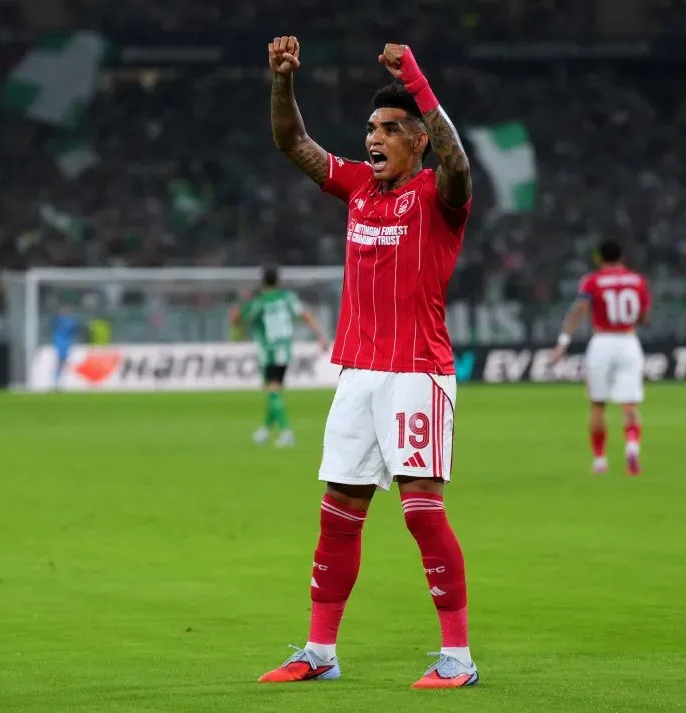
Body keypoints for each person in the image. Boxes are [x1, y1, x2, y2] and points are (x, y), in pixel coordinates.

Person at [258, 37, 478, 688]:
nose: (374, 138)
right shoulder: (357, 185)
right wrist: (281, 81)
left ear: (418, 142)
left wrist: (417, 83)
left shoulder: (442, 193)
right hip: (359, 372)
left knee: (420, 510)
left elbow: (459, 159)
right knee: (338, 512)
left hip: (418, 371)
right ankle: (320, 651)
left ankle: (458, 658)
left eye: (389, 129)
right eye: (370, 128)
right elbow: (291, 142)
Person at [550, 240, 651, 475]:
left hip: (602, 342)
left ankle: (599, 460)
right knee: (630, 405)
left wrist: (563, 342)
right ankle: (632, 448)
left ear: (599, 258)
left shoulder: (592, 281)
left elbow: (578, 311)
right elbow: (644, 317)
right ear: (622, 257)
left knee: (597, 405)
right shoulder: (638, 281)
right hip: (628, 341)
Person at [230, 264, 329, 447]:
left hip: (268, 351)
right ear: (278, 280)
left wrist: (242, 300)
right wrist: (320, 336)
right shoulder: (287, 297)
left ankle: (286, 431)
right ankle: (266, 429)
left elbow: (236, 319)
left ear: (262, 281)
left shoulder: (259, 301)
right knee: (273, 388)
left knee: (273, 389)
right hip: (285, 349)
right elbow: (306, 315)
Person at [51, 305, 80, 390]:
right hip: (60, 345)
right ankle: (56, 383)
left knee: (62, 364)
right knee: (60, 363)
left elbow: (74, 330)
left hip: (66, 345)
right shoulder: (60, 320)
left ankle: (59, 382)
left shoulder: (69, 321)